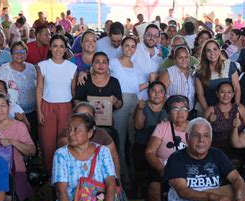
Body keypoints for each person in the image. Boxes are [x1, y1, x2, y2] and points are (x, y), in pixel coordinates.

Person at [145, 95, 189, 201]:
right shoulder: (162, 127)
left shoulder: (195, 126)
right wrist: (161, 169)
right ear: (169, 112)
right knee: (154, 188)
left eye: (183, 108)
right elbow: (150, 152)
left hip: (189, 171)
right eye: (175, 109)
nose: (180, 112)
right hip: (164, 168)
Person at [36, 34, 77, 173]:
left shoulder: (72, 67)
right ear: (50, 48)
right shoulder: (43, 66)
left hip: (66, 107)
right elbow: (39, 89)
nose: (58, 50)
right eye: (55, 46)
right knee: (47, 144)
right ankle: (50, 174)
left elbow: (73, 90)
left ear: (66, 49)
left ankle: (64, 173)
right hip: (47, 106)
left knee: (65, 142)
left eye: (61, 46)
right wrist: (39, 111)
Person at [57, 102, 121, 181]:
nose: (83, 119)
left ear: (94, 118)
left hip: (100, 182)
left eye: (87, 115)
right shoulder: (67, 133)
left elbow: (114, 159)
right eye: (79, 115)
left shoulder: (101, 133)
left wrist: (118, 183)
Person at [110, 37, 143, 179]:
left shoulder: (136, 66)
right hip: (120, 102)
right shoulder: (113, 62)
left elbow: (136, 87)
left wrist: (151, 82)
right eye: (127, 46)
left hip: (134, 101)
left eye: (132, 47)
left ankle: (132, 172)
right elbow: (99, 74)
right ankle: (122, 174)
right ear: (122, 47)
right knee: (120, 138)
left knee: (132, 138)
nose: (129, 49)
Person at [0, 41, 37, 141]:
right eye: (16, 52)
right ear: (11, 54)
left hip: (32, 110)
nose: (19, 54)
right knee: (15, 138)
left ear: (26, 54)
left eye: (22, 52)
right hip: (12, 112)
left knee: (32, 138)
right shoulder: (4, 68)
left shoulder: (31, 68)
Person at [204, 82, 245, 168]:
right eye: (222, 92)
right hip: (216, 151)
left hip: (237, 151)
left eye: (229, 92)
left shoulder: (240, 108)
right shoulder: (210, 110)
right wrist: (209, 122)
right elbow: (203, 133)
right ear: (217, 94)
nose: (226, 95)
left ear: (233, 94)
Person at [132, 81, 168, 189]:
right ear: (148, 93)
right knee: (141, 174)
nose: (157, 94)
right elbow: (138, 126)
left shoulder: (168, 108)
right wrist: (140, 109)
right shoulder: (142, 106)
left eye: (160, 91)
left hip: (161, 146)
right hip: (142, 144)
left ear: (164, 95)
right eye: (153, 91)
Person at [195, 39, 241, 111]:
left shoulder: (230, 65)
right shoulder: (200, 71)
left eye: (215, 49)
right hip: (209, 108)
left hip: (230, 109)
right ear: (204, 53)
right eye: (208, 50)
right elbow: (200, 95)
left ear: (219, 51)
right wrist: (208, 112)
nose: (212, 53)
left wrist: (235, 108)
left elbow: (237, 88)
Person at [159, 46, 196, 116]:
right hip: (172, 114)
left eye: (186, 57)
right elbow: (161, 95)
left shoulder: (193, 72)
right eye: (180, 58)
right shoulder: (168, 73)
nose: (184, 60)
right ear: (175, 59)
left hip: (190, 112)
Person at [132, 24, 163, 100]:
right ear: (144, 36)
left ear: (158, 39)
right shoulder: (134, 49)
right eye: (149, 35)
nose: (152, 38)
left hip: (150, 101)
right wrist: (149, 83)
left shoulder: (159, 57)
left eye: (155, 36)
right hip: (133, 97)